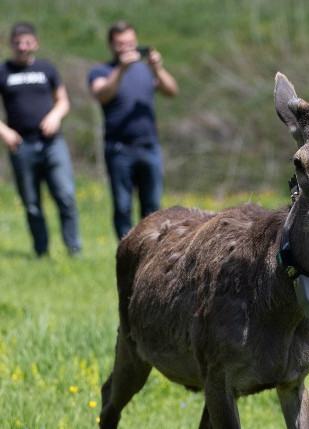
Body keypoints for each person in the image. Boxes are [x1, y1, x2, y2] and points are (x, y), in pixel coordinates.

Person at [88, 21, 178, 239]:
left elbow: (171, 91)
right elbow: (101, 95)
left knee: (153, 206)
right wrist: (121, 70)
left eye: (130, 42)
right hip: (119, 149)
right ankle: (125, 249)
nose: (127, 48)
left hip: (149, 146)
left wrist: (157, 69)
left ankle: (151, 249)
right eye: (121, 44)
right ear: (111, 45)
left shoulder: (146, 71)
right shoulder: (102, 71)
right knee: (122, 206)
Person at [0, 22, 82, 258]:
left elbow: (63, 101)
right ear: (11, 44)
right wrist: (4, 131)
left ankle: (73, 249)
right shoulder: (4, 71)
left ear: (35, 43)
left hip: (52, 144)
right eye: (18, 43)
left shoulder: (47, 69)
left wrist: (55, 116)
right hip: (21, 146)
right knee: (32, 203)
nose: (22, 47)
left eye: (27, 42)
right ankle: (41, 252)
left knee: (65, 196)